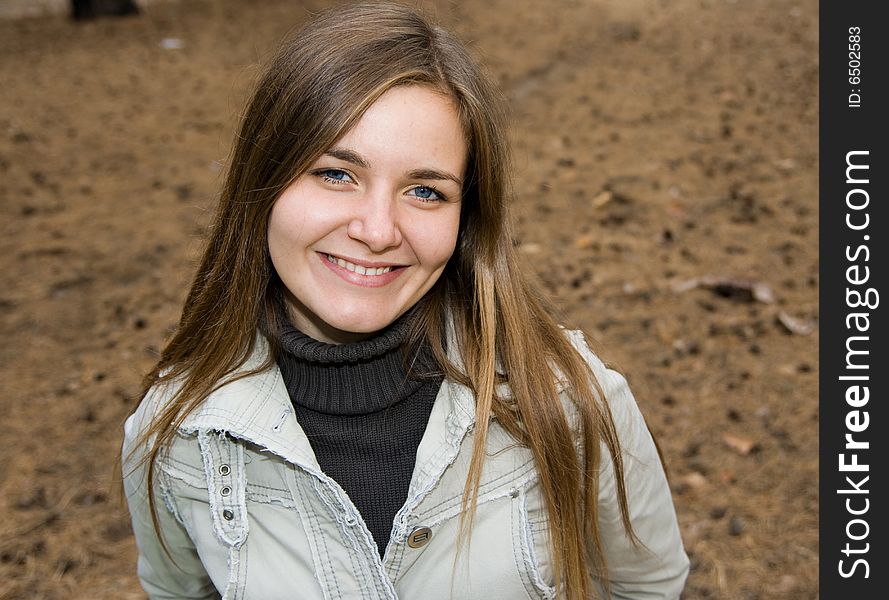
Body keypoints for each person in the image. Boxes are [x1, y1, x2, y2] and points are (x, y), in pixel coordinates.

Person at [121, 3, 689, 599]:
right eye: (336, 174)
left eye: (425, 190)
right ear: (263, 182)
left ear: (466, 218)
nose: (378, 229)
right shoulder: (178, 433)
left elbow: (647, 585)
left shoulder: (565, 400)